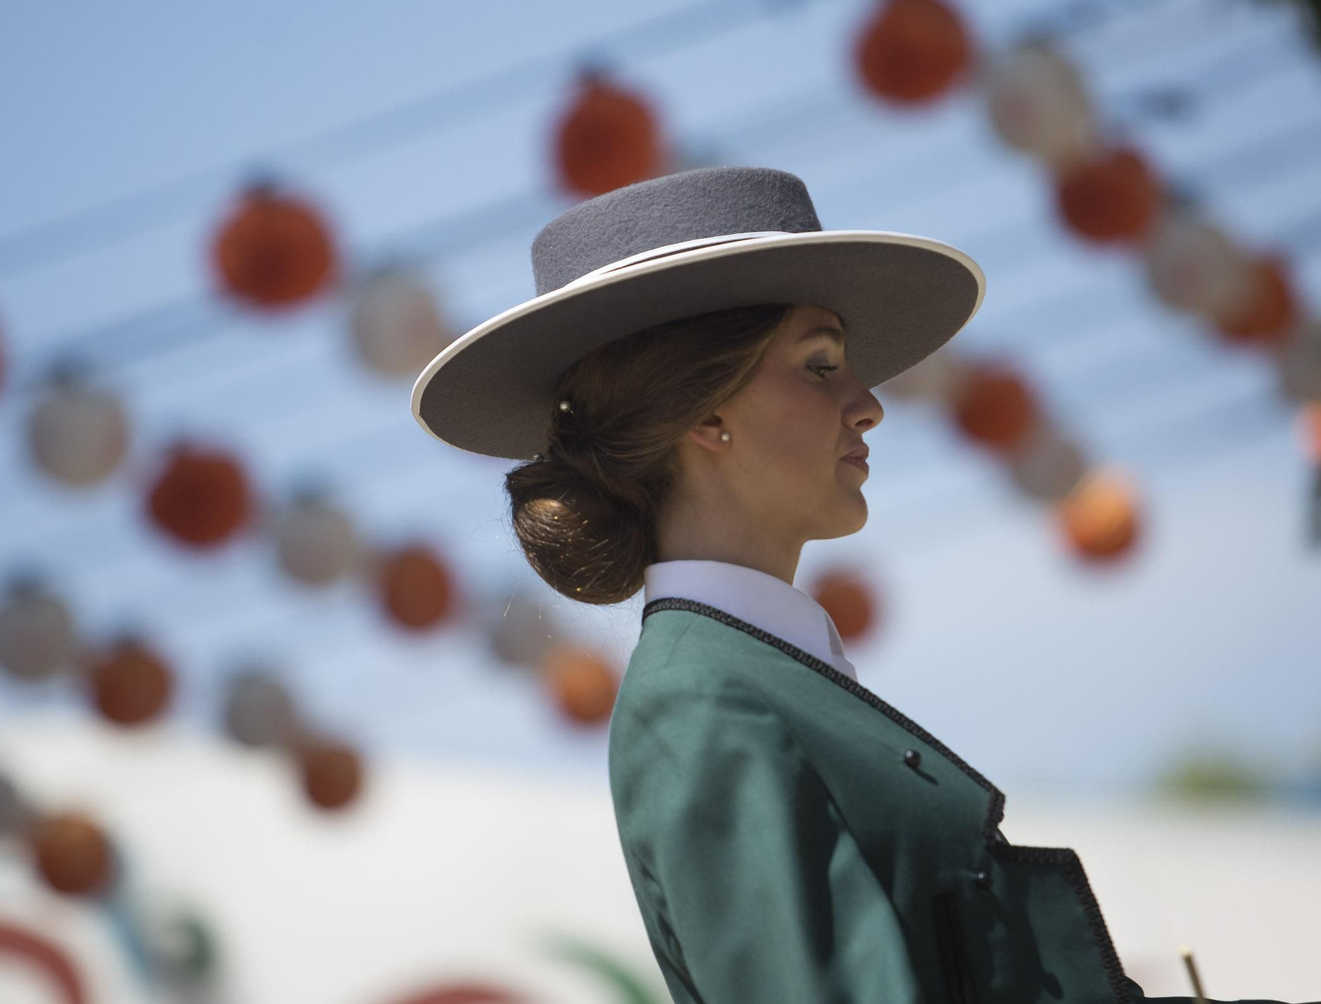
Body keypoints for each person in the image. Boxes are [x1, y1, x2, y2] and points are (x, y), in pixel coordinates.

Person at [409, 166, 1315, 1004]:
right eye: (820, 365)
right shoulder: (702, 706)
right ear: (704, 414)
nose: (869, 401)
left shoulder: (749, 679)